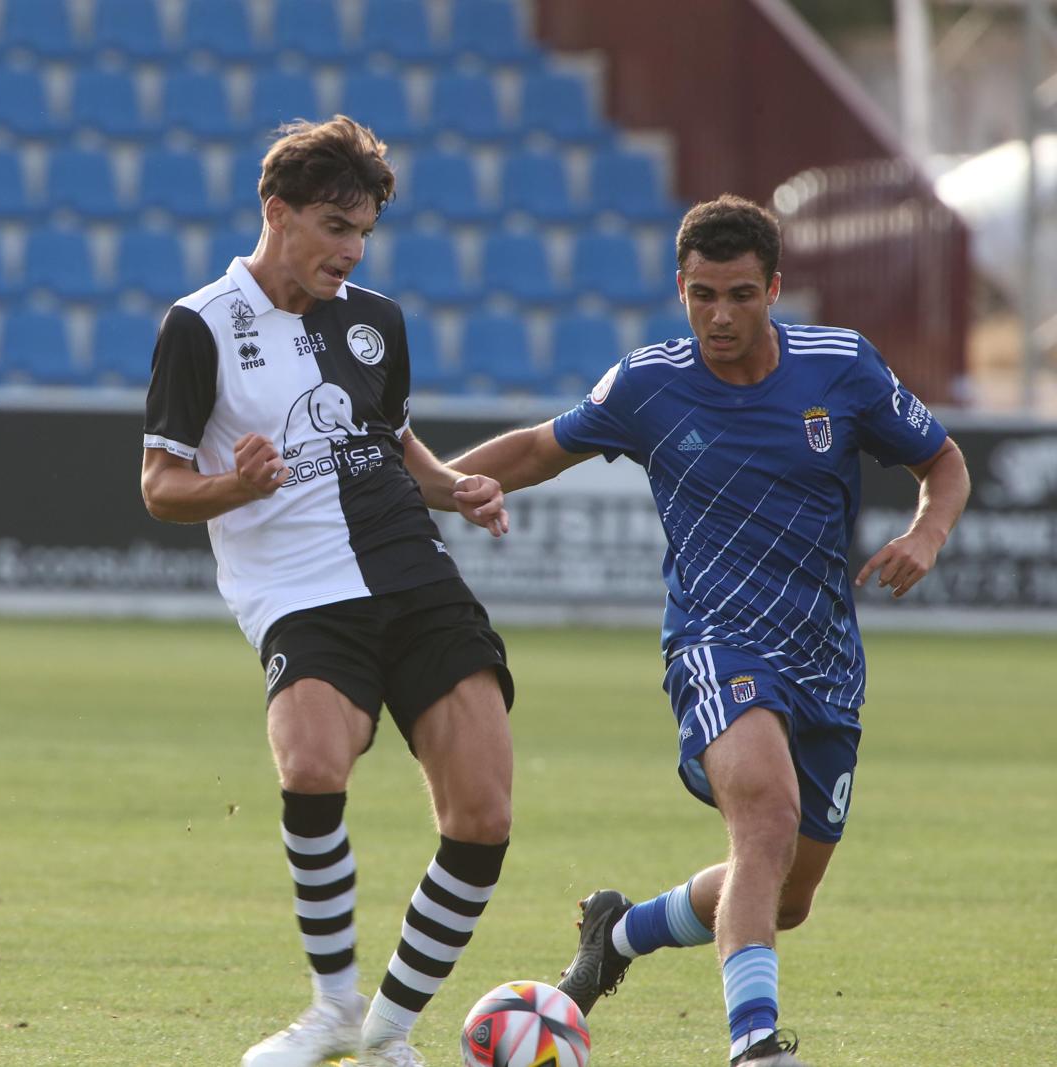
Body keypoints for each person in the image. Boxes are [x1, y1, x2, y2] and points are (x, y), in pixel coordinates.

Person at [451, 194, 970, 1067]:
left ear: (774, 287)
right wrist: (421, 482)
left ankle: (618, 934)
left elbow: (943, 462)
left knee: (785, 894)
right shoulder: (647, 383)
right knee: (764, 817)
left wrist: (926, 533)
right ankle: (756, 1046)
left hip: (827, 660)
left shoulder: (841, 367)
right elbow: (541, 447)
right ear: (680, 290)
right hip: (715, 640)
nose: (719, 315)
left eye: (738, 294)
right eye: (701, 296)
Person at [141, 115, 515, 1067]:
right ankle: (332, 1008)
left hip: (410, 567)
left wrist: (456, 487)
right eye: (336, 228)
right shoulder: (199, 326)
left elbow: (387, 441)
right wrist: (236, 483)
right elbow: (160, 486)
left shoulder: (377, 320)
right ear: (278, 212)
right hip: (297, 591)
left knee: (482, 814)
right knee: (311, 765)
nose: (351, 252)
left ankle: (387, 1030)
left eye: (364, 234)